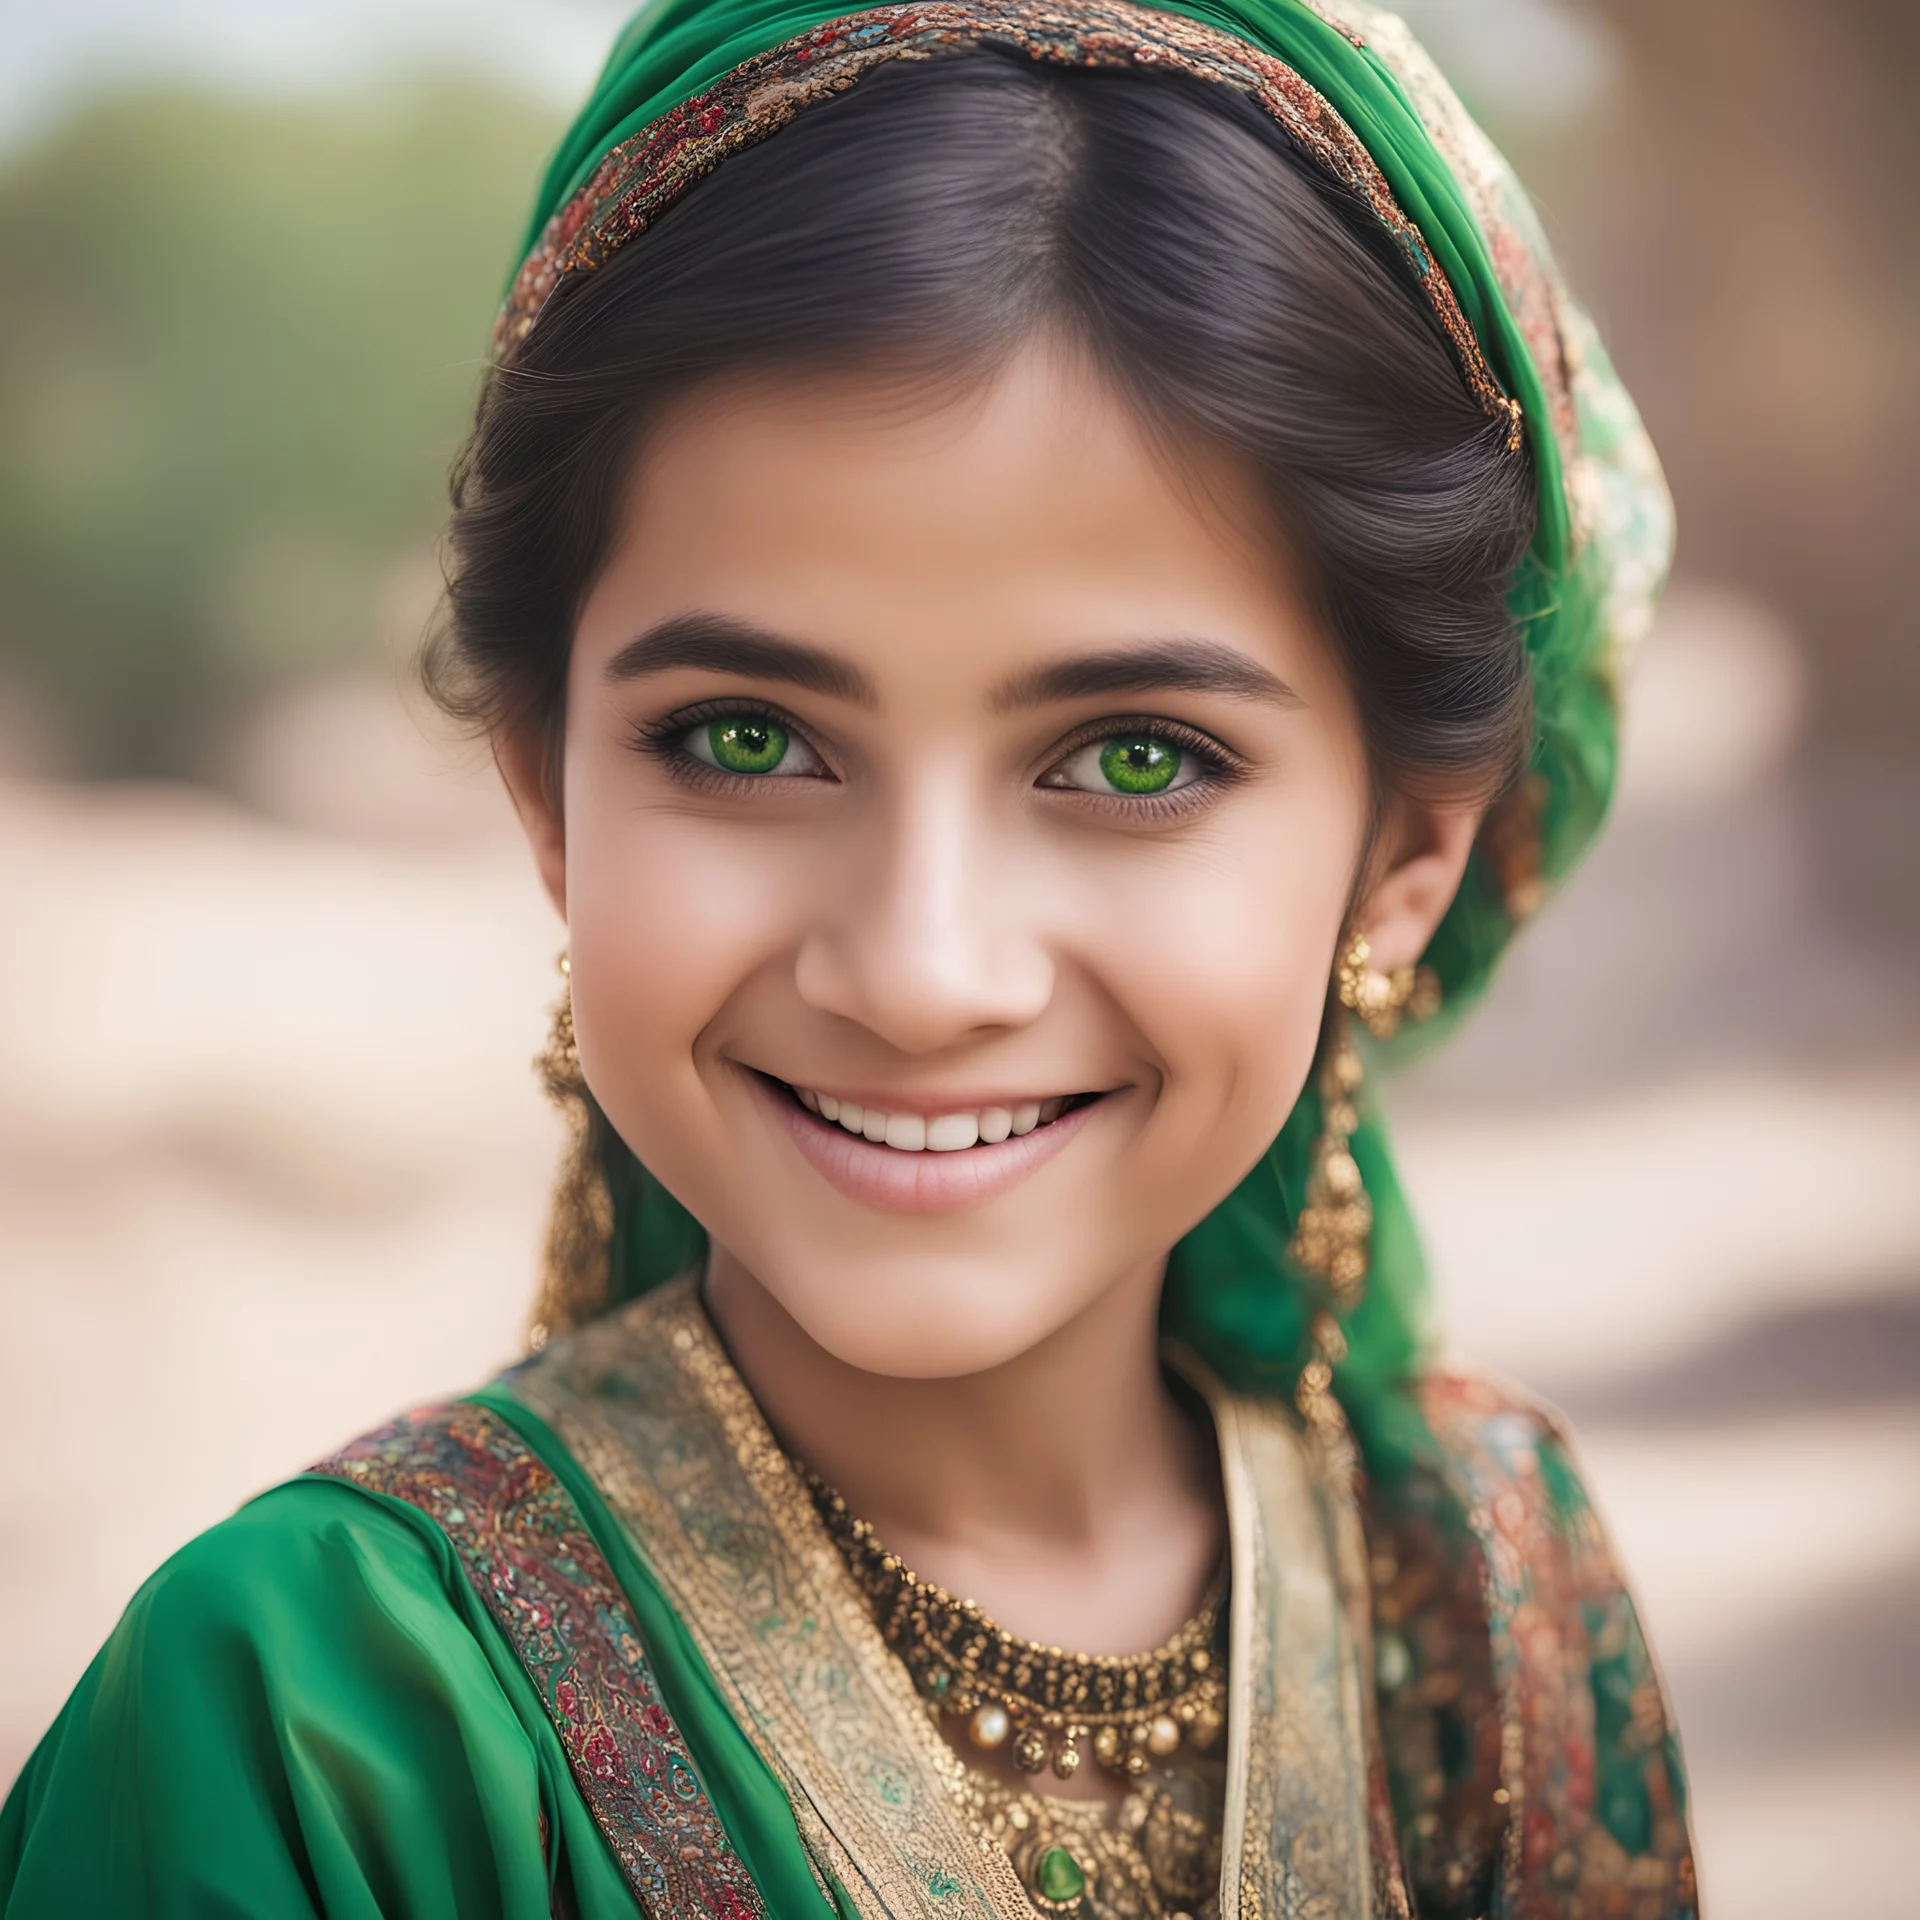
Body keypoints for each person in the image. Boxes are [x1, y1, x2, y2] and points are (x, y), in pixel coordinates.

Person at [0, 1, 1696, 1915]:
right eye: (747, 740)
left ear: (1400, 863)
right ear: (548, 797)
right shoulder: (308, 1727)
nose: (918, 967)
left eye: (1136, 759)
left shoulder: (1482, 1596)